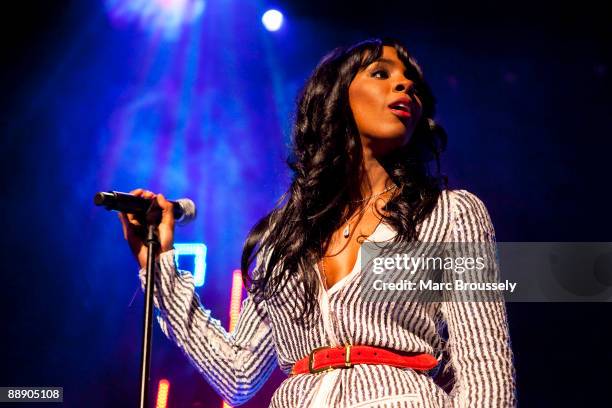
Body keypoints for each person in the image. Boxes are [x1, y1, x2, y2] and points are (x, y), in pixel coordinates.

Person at [119, 38, 516, 407]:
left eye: (412, 83)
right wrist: (158, 263)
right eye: (382, 74)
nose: (404, 87)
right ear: (336, 97)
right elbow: (237, 373)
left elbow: (487, 376)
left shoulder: (451, 215)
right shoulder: (286, 239)